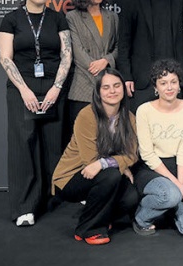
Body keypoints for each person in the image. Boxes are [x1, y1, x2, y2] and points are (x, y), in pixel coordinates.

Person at [0, 0, 71, 227]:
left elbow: (66, 55)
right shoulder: (11, 19)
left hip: (53, 87)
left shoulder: (58, 18)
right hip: (22, 88)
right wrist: (24, 90)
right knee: (24, 145)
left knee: (52, 145)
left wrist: (56, 88)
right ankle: (24, 208)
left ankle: (50, 200)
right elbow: (5, 58)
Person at [52, 69, 139, 245]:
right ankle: (87, 229)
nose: (112, 91)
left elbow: (132, 154)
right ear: (98, 92)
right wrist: (118, 165)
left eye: (116, 85)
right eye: (106, 87)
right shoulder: (87, 115)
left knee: (131, 197)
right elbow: (90, 161)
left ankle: (101, 217)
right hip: (71, 177)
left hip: (102, 172)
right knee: (111, 175)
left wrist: (114, 164)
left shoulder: (129, 117)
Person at [131, 59, 183, 238]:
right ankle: (141, 218)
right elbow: (147, 154)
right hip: (152, 169)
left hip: (180, 169)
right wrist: (178, 187)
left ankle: (169, 209)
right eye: (163, 83)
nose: (169, 87)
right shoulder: (144, 110)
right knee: (170, 195)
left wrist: (181, 183)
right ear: (155, 87)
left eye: (173, 82)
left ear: (180, 84)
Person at [117, 0, 183, 110]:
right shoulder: (132, 2)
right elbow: (124, 44)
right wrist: (126, 76)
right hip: (142, 82)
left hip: (176, 82)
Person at [66, 0, 118, 130]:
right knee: (83, 136)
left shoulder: (112, 17)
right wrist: (99, 76)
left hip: (109, 87)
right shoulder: (72, 17)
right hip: (83, 86)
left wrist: (107, 60)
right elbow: (77, 51)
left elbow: (118, 47)